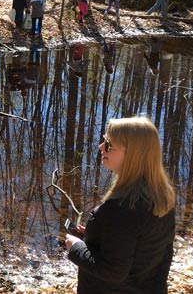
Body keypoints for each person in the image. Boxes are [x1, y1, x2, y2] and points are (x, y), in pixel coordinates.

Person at [66, 117, 176, 293]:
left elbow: (112, 272)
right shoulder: (161, 197)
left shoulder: (120, 210)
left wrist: (76, 247)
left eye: (108, 144)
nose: (101, 147)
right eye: (103, 140)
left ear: (133, 154)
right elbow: (154, 252)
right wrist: (96, 236)